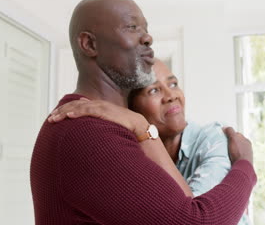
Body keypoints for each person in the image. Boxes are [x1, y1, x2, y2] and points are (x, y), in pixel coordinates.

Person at [30, 0, 256, 225]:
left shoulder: (116, 126)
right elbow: (195, 221)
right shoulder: (87, 132)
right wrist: (245, 164)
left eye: (145, 29)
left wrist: (143, 127)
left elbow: (184, 200)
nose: (148, 37)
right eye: (132, 27)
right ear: (90, 44)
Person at [49, 59, 250, 225]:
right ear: (132, 107)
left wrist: (142, 128)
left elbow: (198, 218)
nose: (171, 96)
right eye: (154, 90)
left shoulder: (214, 138)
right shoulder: (130, 153)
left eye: (173, 84)